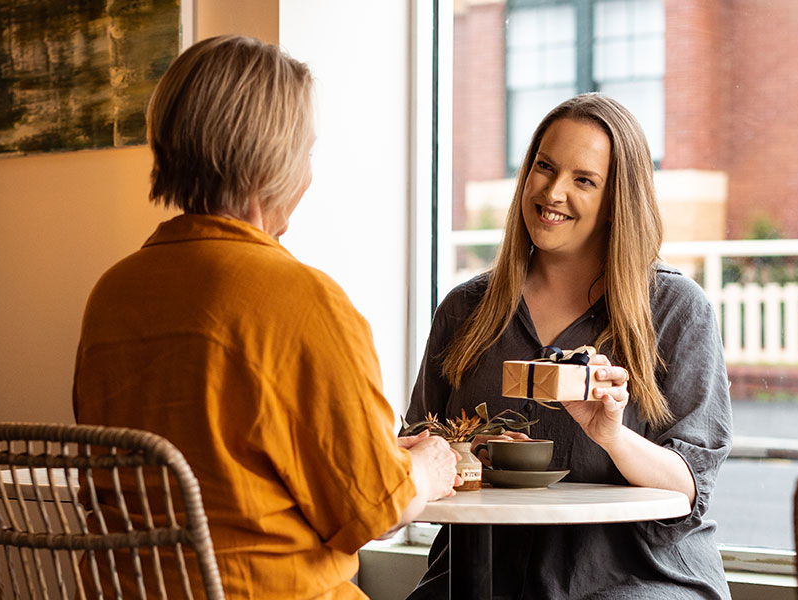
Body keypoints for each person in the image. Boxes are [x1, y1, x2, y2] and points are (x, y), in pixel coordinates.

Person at [72, 34, 459, 600]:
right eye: (307, 151)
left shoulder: (112, 293)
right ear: (277, 161)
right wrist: (424, 470)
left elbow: (214, 462)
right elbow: (372, 512)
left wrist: (378, 456)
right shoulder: (302, 298)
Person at [405, 94, 732, 599]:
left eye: (584, 180)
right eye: (544, 167)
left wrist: (612, 436)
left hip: (635, 578)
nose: (553, 192)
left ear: (616, 200)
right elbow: (417, 452)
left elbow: (689, 485)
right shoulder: (464, 310)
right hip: (479, 577)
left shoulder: (676, 310)